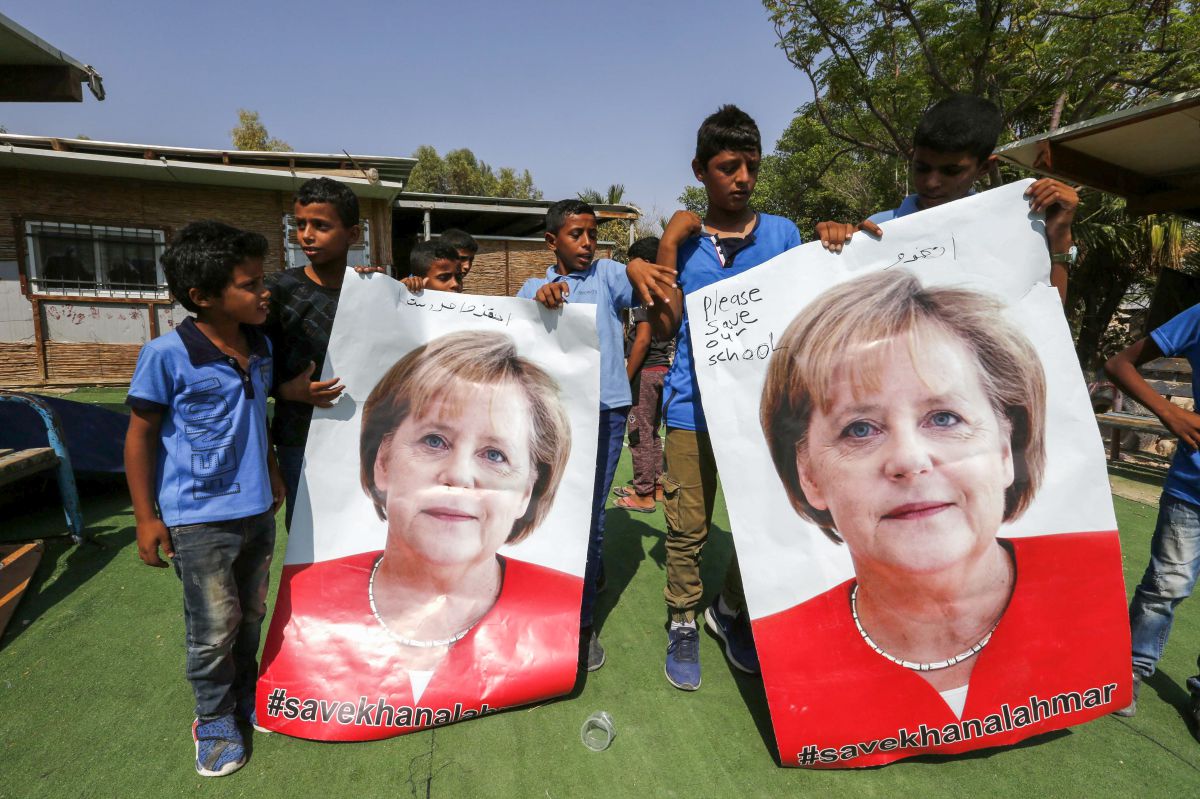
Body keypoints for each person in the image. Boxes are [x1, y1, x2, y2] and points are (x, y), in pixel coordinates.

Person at [756, 269, 1128, 767]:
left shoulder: (1091, 584)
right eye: (860, 428)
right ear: (809, 475)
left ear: (1004, 447)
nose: (909, 460)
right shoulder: (787, 650)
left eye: (944, 417)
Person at [257, 331, 580, 741]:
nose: (459, 476)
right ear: (383, 463)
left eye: (495, 454)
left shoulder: (558, 609)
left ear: (527, 493)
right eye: (434, 440)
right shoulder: (304, 598)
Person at [627, 104, 802, 690]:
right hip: (690, 412)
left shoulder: (783, 235)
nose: (743, 177)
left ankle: (729, 612)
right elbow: (668, 327)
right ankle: (682, 619)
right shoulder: (686, 243)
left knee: (766, 523)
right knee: (688, 527)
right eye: (728, 166)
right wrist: (669, 249)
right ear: (700, 170)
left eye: (751, 165)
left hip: (766, 413)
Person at [124, 221, 284, 777]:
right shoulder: (167, 355)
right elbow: (140, 435)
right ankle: (213, 717)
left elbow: (255, 419)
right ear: (203, 296)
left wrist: (270, 473)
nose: (265, 292)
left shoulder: (258, 344)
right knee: (213, 626)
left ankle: (245, 695)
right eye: (250, 283)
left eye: (262, 279)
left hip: (258, 513)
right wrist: (146, 518)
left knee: (251, 613)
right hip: (198, 522)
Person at [519, 198, 636, 672]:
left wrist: (649, 263)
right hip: (554, 416)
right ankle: (580, 576)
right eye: (576, 235)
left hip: (606, 411)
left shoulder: (609, 276)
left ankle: (581, 625)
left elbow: (643, 293)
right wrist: (538, 301)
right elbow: (519, 332)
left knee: (590, 518)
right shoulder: (532, 286)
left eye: (592, 233)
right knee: (551, 507)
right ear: (552, 241)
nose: (587, 243)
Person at [815, 94, 1079, 304]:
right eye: (922, 167)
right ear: (912, 157)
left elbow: (1049, 320)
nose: (931, 182)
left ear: (985, 168)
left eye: (951, 171)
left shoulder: (1018, 231)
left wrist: (1059, 237)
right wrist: (840, 246)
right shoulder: (877, 231)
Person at [1106, 305, 1200, 723]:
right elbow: (1118, 364)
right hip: (1192, 488)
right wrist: (1170, 411)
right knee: (1166, 584)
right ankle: (1128, 672)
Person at [264, 177, 363, 530]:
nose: (306, 235)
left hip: (360, 434)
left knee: (360, 523)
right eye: (300, 224)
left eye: (321, 225)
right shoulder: (277, 290)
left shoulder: (371, 289)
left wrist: (407, 287)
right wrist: (288, 391)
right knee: (306, 528)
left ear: (353, 234)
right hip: (298, 437)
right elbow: (250, 365)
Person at [614, 236, 670, 513]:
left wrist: (626, 375)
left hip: (645, 373)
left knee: (638, 433)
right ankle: (656, 486)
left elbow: (642, 339)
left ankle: (643, 494)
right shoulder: (667, 292)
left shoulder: (643, 293)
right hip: (663, 371)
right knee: (653, 432)